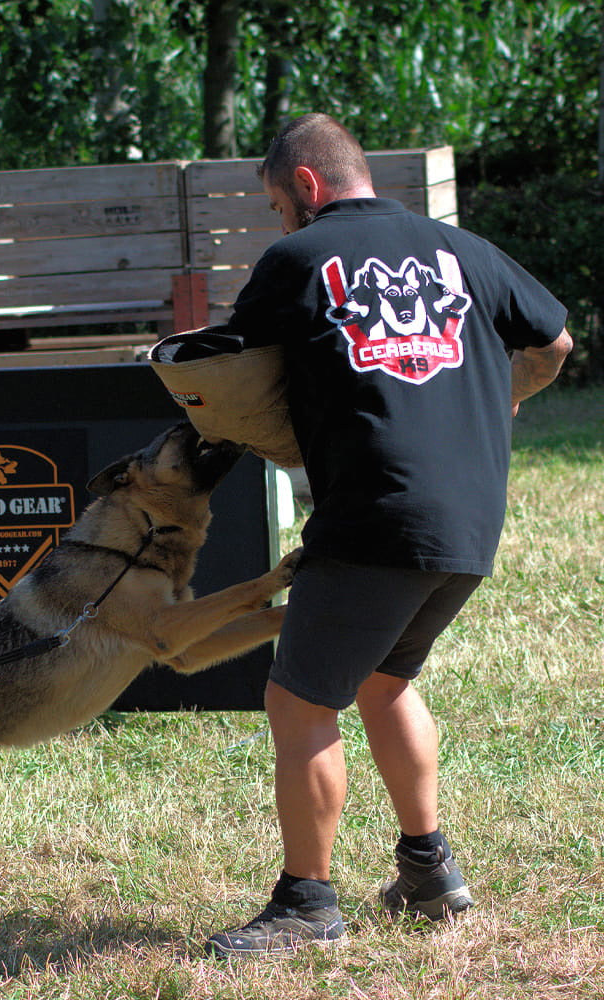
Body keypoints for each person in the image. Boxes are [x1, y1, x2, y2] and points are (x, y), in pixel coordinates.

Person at [205, 113, 572, 957]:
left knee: (298, 700)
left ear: (307, 185)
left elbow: (228, 368)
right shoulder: (462, 249)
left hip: (375, 517)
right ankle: (429, 872)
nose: (278, 223)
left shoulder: (296, 259)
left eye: (275, 204)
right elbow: (552, 340)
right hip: (470, 522)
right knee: (385, 679)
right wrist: (502, 396)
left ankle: (305, 905)